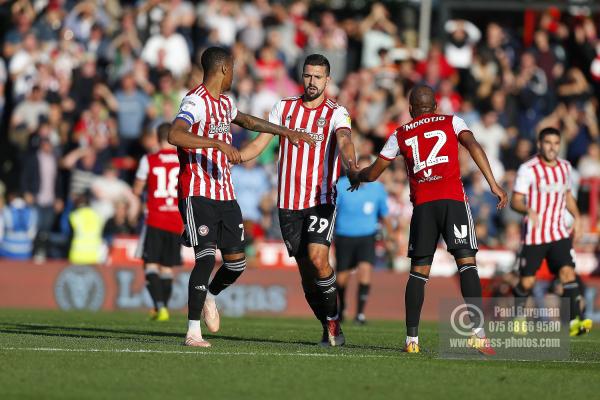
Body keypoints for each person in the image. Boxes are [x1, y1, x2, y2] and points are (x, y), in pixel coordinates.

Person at [168, 47, 315, 347]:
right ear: (223, 69)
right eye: (233, 68)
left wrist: (285, 132)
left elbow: (248, 121)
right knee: (206, 257)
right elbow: (175, 134)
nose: (235, 74)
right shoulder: (195, 100)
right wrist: (216, 145)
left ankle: (209, 295)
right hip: (198, 191)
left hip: (224, 192)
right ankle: (192, 332)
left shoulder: (225, 103)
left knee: (236, 263)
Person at [349, 85, 507, 354]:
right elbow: (473, 146)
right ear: (435, 107)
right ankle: (478, 334)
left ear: (410, 110)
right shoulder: (452, 121)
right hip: (453, 201)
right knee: (467, 265)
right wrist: (493, 183)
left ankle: (412, 340)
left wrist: (357, 175)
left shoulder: (400, 134)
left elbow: (374, 172)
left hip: (424, 207)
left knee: (418, 273)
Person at [240, 54, 359, 347]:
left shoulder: (337, 112)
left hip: (320, 199)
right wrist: (238, 157)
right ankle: (328, 325)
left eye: (318, 77)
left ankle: (333, 322)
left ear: (327, 80)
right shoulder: (284, 107)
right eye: (308, 75)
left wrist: (351, 165)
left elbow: (344, 140)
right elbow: (261, 140)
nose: (312, 82)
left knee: (320, 260)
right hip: (288, 205)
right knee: (307, 275)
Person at [510, 127, 592, 337]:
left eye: (556, 143)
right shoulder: (528, 168)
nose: (552, 147)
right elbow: (515, 201)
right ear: (540, 144)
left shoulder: (565, 167)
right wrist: (528, 209)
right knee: (527, 281)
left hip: (558, 233)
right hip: (535, 235)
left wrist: (577, 218)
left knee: (567, 273)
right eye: (548, 142)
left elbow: (567, 196)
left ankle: (575, 323)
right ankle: (518, 317)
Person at [335, 155, 393, 325]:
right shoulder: (342, 185)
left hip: (367, 237)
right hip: (344, 235)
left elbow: (385, 215)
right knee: (342, 278)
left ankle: (360, 313)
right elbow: (332, 209)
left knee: (365, 271)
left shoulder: (378, 189)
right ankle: (342, 306)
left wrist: (390, 237)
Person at [133, 123, 183, 322]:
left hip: (155, 218)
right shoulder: (182, 160)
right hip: (176, 219)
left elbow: (137, 189)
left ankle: (159, 307)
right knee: (167, 268)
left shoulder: (149, 160)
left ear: (157, 137)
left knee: (150, 265)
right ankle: (162, 308)